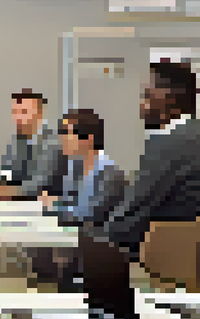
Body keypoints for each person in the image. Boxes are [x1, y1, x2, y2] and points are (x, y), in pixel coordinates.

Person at [93, 61, 200, 260]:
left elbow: (133, 213)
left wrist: (95, 238)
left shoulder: (170, 142)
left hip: (172, 247)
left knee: (76, 254)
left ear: (168, 99)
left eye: (146, 95)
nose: (140, 105)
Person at [27, 108, 127, 291]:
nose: (62, 138)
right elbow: (70, 203)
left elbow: (87, 215)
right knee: (37, 255)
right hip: (73, 242)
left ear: (88, 138)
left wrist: (53, 205)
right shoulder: (75, 168)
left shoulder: (111, 175)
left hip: (95, 250)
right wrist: (56, 202)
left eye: (67, 133)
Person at [0, 89, 64, 201]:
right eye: (15, 112)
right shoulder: (17, 141)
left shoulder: (53, 142)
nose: (18, 118)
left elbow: (41, 183)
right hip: (18, 204)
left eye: (23, 112)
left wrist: (6, 191)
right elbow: (6, 172)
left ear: (39, 113)